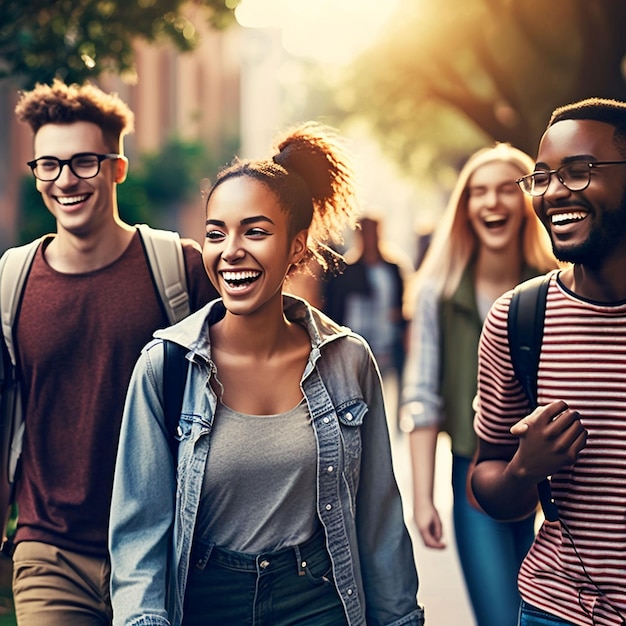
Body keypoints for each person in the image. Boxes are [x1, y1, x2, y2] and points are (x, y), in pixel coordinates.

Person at [108, 122, 425, 626]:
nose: (231, 250)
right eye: (216, 233)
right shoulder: (165, 367)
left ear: (297, 247)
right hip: (207, 602)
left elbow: (379, 522)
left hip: (318, 601)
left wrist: (400, 619)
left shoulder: (348, 361)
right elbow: (140, 530)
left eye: (255, 231)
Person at [5, 79, 217, 626]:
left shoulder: (179, 269)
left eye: (84, 163)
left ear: (117, 167)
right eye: (48, 165)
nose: (65, 180)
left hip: (167, 549)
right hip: (51, 550)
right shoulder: (12, 282)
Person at [471, 98, 626, 626]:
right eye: (541, 178)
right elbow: (487, 478)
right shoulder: (519, 318)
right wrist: (524, 469)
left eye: (579, 172)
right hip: (557, 611)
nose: (555, 191)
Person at [400, 143, 558, 626]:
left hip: (563, 479)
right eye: (478, 192)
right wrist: (423, 498)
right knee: (501, 617)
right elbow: (422, 399)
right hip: (476, 476)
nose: (491, 203)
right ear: (465, 208)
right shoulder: (437, 293)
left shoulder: (560, 285)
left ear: (529, 199)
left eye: (505, 191)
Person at [323, 216, 409, 428]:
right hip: (355, 344)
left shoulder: (393, 269)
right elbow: (334, 309)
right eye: (365, 232)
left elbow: (401, 306)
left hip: (388, 344)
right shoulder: (345, 270)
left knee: (388, 400)